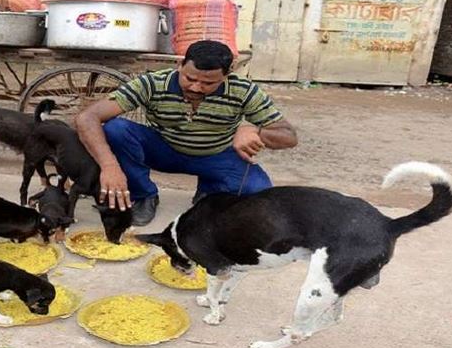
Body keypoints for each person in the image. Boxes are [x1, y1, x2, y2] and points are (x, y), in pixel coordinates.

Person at [76, 40, 298, 226]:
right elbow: (87, 118)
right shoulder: (152, 83)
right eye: (190, 79)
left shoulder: (244, 90)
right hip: (165, 150)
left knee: (258, 191)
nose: (195, 88)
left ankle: (210, 191)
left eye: (208, 83)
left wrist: (255, 131)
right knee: (116, 129)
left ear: (227, 75)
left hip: (216, 155)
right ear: (180, 65)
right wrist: (110, 167)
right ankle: (143, 195)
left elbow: (289, 136)